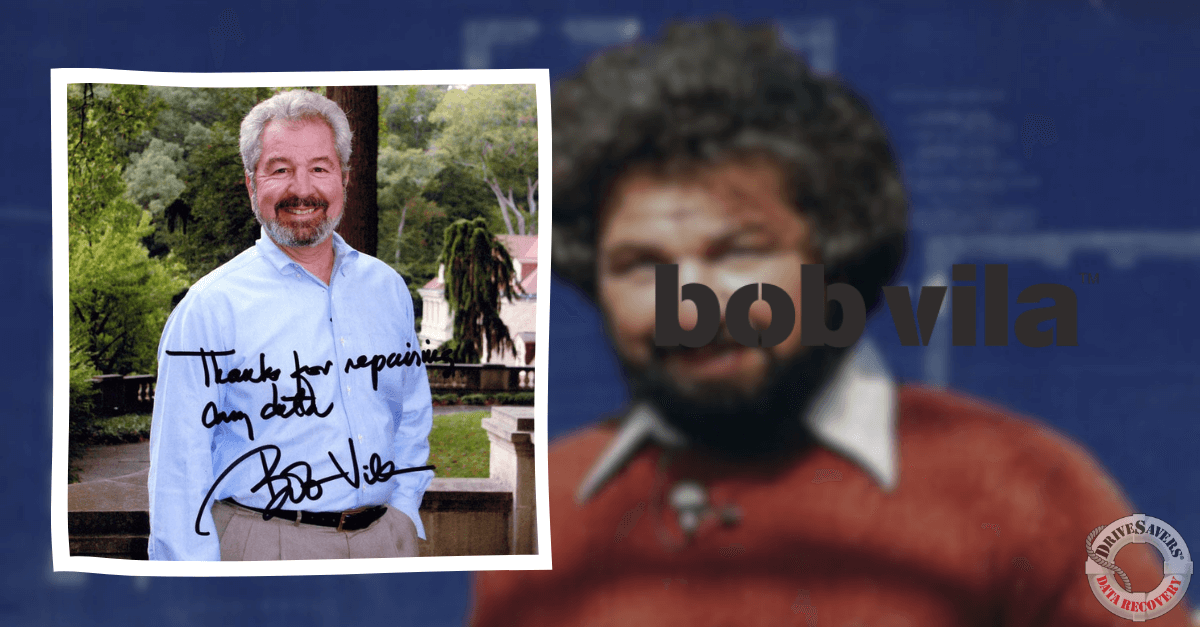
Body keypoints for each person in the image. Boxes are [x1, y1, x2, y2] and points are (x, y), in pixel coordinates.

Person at [469, 21, 1192, 626]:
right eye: (637, 263)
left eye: (739, 251)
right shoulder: (549, 507)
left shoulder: (1029, 486)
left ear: (834, 258)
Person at [147, 89, 434, 561]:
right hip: (265, 545)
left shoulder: (388, 289)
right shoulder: (210, 307)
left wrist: (403, 509)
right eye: (280, 169)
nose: (302, 189)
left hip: (387, 543)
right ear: (250, 183)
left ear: (344, 178)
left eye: (320, 168)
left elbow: (411, 413)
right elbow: (179, 468)